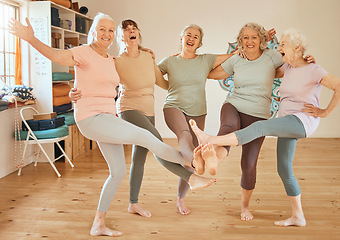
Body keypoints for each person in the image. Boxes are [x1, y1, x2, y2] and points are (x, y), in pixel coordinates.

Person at [9, 13, 216, 237]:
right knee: (146, 137)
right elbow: (58, 56)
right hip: (91, 118)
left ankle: (98, 224)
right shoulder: (83, 52)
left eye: (109, 30)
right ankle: (193, 168)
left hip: (108, 118)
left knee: (117, 172)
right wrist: (30, 39)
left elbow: (108, 82)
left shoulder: (111, 60)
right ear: (93, 33)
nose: (106, 34)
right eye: (102, 29)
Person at [189, 28, 340, 227]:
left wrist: (324, 112)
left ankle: (210, 140)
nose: (279, 47)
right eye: (279, 44)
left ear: (297, 47)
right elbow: (262, 67)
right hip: (286, 120)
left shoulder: (314, 69)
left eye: (283, 44)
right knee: (284, 168)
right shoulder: (288, 68)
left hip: (301, 121)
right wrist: (245, 51)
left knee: (260, 127)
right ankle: (298, 216)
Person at [70, 19, 204, 217]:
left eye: (134, 29)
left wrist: (187, 74)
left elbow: (165, 84)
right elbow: (98, 80)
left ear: (138, 34)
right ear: (120, 36)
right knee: (156, 142)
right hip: (128, 109)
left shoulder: (148, 57)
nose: (131, 32)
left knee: (139, 157)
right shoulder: (116, 61)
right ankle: (190, 171)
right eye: (126, 30)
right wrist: (75, 94)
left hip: (148, 111)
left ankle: (133, 203)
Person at [156, 24, 276, 214]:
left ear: (200, 43)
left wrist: (257, 44)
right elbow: (155, 74)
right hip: (177, 106)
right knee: (186, 137)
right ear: (181, 38)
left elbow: (238, 55)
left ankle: (182, 198)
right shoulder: (169, 61)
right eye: (188, 35)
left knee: (196, 153)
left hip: (200, 111)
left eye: (196, 37)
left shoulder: (206, 60)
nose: (191, 38)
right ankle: (200, 166)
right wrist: (170, 87)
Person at [204, 22, 315, 221]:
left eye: (254, 37)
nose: (249, 41)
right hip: (234, 105)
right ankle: (214, 161)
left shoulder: (272, 57)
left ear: (261, 40)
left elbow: (292, 66)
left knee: (249, 163)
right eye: (245, 37)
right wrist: (232, 55)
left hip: (258, 114)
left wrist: (307, 60)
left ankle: (244, 207)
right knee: (227, 128)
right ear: (240, 41)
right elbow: (212, 74)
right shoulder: (237, 59)